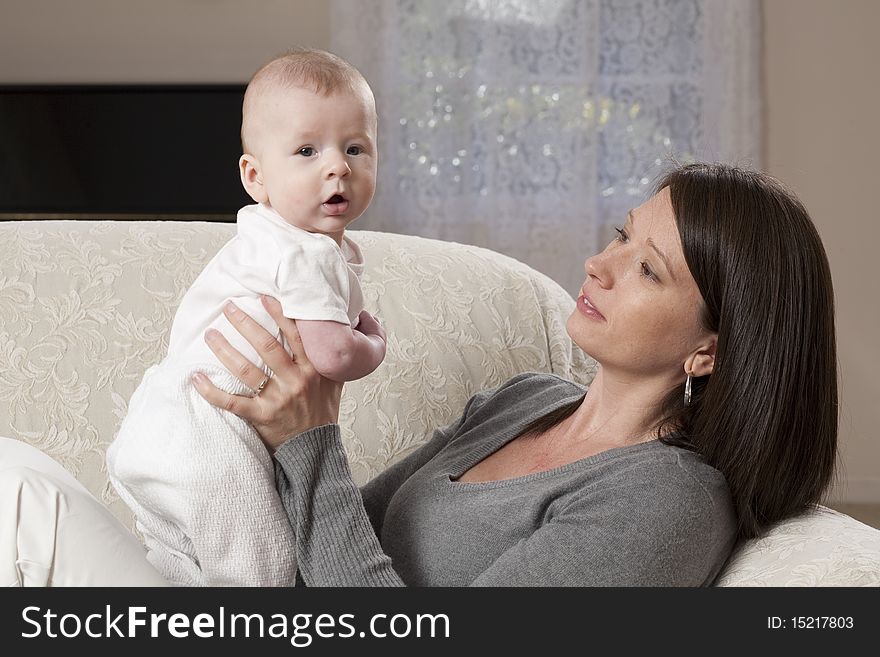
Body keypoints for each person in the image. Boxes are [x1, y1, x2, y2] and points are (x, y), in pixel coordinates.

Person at [192, 162, 838, 586]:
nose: (598, 263)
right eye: (621, 234)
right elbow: (334, 539)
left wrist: (309, 436)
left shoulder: (667, 500)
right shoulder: (524, 399)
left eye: (648, 269)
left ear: (709, 350)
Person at [106, 48, 386, 586]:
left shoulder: (260, 234)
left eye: (355, 148)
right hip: (211, 433)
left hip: (163, 417)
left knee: (177, 563)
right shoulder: (307, 252)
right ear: (255, 176)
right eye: (307, 150)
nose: (338, 166)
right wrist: (370, 344)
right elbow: (330, 354)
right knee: (259, 569)